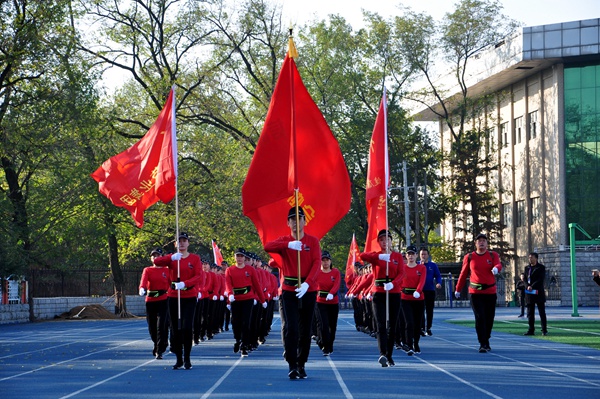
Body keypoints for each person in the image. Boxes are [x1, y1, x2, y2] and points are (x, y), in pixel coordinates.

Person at [264, 206, 321, 380]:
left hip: (307, 290)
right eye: (292, 219)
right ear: (288, 223)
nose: (296, 222)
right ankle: (292, 364)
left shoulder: (312, 241)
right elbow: (268, 246)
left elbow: (316, 263)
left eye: (299, 218)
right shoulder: (285, 241)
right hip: (289, 290)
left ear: (305, 221)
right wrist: (287, 244)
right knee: (291, 328)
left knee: (305, 331)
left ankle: (301, 362)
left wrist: (307, 284)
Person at [153, 232, 204, 370]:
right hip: (174, 296)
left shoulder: (194, 258)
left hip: (189, 296)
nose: (182, 243)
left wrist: (185, 283)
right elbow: (156, 261)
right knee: (175, 329)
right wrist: (170, 257)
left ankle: (187, 358)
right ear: (175, 244)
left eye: (184, 241)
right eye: (179, 241)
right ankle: (179, 359)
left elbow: (198, 276)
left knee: (187, 327)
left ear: (188, 243)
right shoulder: (172, 259)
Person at [360, 229, 405, 367]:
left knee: (392, 325)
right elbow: (362, 256)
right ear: (379, 242)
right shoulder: (376, 256)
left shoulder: (397, 257)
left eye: (388, 239)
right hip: (379, 292)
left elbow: (402, 274)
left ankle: (389, 355)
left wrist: (393, 284)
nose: (385, 242)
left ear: (392, 241)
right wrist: (379, 258)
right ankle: (382, 353)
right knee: (380, 325)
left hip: (393, 292)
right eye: (382, 240)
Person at [454, 233, 502, 353]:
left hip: (490, 292)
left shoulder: (492, 255)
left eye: (483, 241)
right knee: (480, 317)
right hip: (476, 292)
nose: (481, 242)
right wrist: (458, 289)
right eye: (479, 240)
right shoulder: (470, 257)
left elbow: (498, 264)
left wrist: (496, 268)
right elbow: (463, 273)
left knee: (489, 317)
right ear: (475, 243)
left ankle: (487, 338)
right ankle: (482, 342)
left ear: (486, 243)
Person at [225, 248, 266, 357]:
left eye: (241, 256)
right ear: (235, 257)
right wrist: (230, 294)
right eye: (237, 256)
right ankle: (238, 339)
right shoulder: (230, 270)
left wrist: (262, 300)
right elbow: (228, 284)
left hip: (248, 299)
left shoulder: (250, 270)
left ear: (244, 258)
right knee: (235, 322)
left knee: (246, 322)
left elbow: (256, 285)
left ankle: (244, 345)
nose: (239, 258)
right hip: (236, 299)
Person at [138, 247, 170, 359]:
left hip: (163, 299)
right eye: (153, 256)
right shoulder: (147, 270)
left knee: (161, 325)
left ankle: (159, 348)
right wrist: (142, 288)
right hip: (151, 300)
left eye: (158, 255)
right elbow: (144, 280)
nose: (155, 257)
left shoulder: (167, 270)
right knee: (152, 327)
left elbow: (171, 284)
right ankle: (158, 343)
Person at [314, 250, 341, 356]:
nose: (325, 262)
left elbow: (337, 284)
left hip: (333, 301)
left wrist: (331, 293)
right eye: (323, 260)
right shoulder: (317, 272)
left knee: (332, 325)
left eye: (327, 260)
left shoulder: (335, 272)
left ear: (330, 261)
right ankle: (325, 346)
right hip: (320, 301)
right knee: (323, 324)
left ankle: (330, 344)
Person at [400, 245, 426, 355]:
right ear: (406, 256)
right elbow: (399, 281)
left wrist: (418, 290)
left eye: (413, 254)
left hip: (418, 298)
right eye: (409, 254)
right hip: (405, 298)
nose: (411, 256)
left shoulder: (421, 268)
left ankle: (416, 343)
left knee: (417, 323)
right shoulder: (402, 268)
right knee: (409, 322)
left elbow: (422, 281)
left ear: (416, 256)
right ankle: (409, 344)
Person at [523, 252, 548, 336]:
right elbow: (525, 279)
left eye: (532, 257)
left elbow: (540, 279)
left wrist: (532, 286)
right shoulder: (527, 268)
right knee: (530, 313)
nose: (530, 259)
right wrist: (527, 286)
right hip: (529, 294)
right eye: (529, 257)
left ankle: (544, 330)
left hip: (538, 293)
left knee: (542, 312)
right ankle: (531, 330)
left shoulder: (541, 268)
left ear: (536, 258)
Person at [419, 247, 441, 336]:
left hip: (430, 290)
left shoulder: (433, 265)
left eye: (425, 254)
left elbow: (438, 276)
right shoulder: (417, 265)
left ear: (428, 255)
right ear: (419, 256)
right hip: (420, 291)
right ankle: (421, 327)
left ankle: (428, 328)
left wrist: (439, 283)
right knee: (420, 310)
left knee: (429, 310)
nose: (423, 256)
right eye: (422, 254)